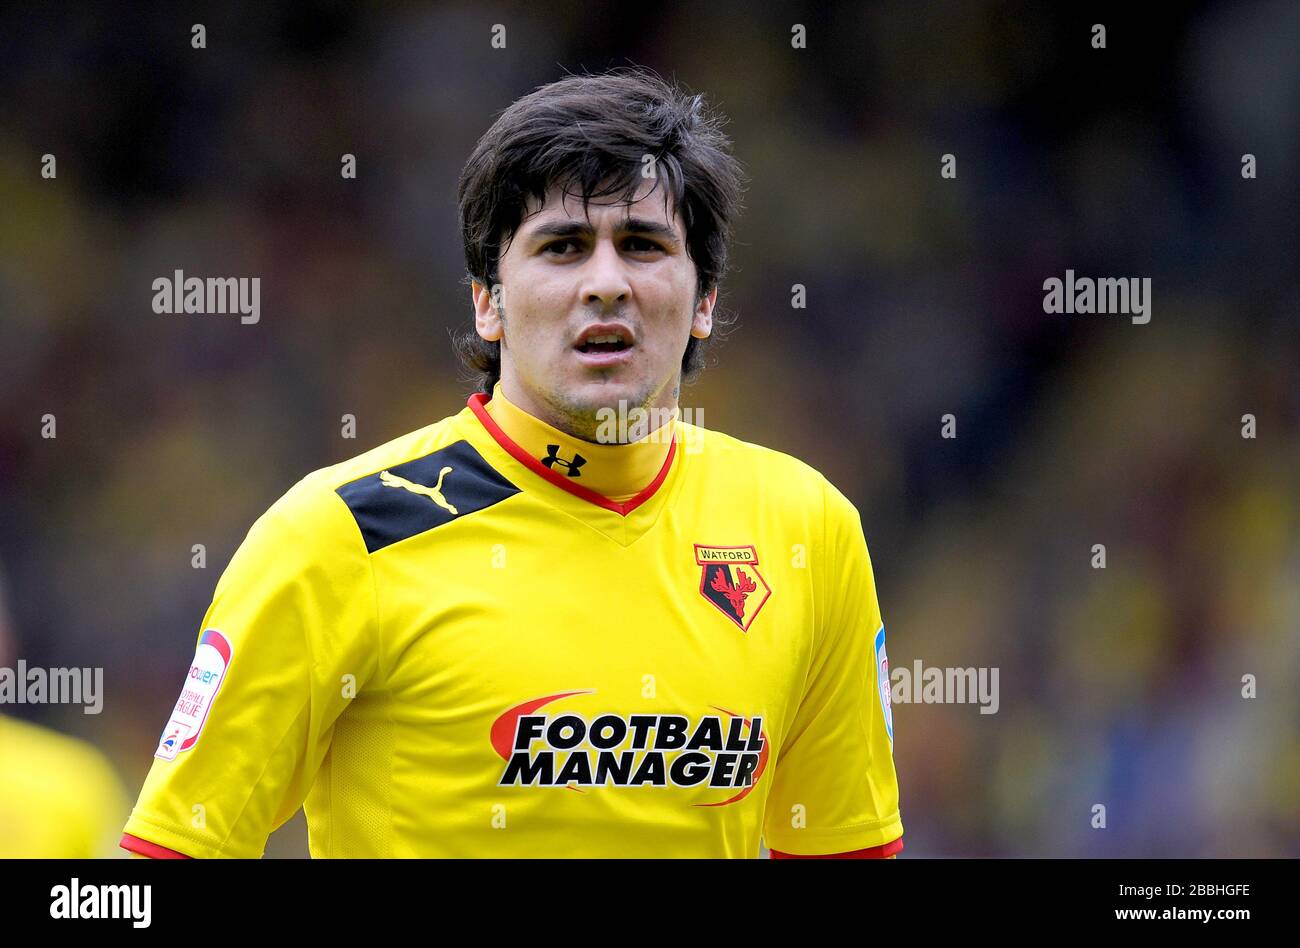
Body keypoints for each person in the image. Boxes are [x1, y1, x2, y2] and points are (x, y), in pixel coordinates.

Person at [122, 67, 903, 858]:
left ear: (703, 300)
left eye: (643, 245)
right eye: (562, 247)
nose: (606, 284)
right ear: (487, 302)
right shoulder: (340, 535)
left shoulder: (808, 529)